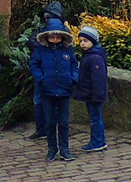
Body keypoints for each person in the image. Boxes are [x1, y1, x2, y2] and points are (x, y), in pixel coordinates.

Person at [30, 15, 80, 162]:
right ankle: (52, 148)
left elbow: (74, 65)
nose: (55, 39)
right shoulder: (41, 50)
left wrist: (73, 79)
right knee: (50, 122)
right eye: (52, 36)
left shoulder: (67, 49)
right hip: (47, 90)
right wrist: (41, 79)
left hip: (64, 89)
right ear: (47, 36)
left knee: (64, 122)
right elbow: (34, 65)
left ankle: (65, 149)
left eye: (58, 36)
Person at [27, 1, 67, 140]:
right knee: (38, 103)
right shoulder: (42, 32)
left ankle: (55, 132)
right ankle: (42, 129)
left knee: (57, 106)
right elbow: (32, 43)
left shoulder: (64, 35)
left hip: (58, 77)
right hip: (44, 75)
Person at [73, 25, 109, 153]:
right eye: (81, 41)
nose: (82, 44)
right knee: (95, 117)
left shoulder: (94, 57)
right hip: (91, 94)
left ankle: (97, 141)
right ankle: (99, 140)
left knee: (95, 118)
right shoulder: (89, 55)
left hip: (94, 95)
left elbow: (98, 79)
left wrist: (97, 95)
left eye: (85, 41)